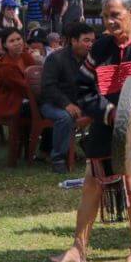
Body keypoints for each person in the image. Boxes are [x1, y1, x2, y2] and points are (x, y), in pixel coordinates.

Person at [51, 0, 131, 262]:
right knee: (92, 184)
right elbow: (85, 88)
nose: (109, 22)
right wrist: (109, 113)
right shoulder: (101, 47)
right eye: (105, 16)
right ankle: (78, 249)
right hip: (106, 123)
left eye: (115, 15)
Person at [39, 21, 96, 173]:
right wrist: (66, 104)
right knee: (65, 117)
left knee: (104, 109)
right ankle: (58, 158)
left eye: (92, 41)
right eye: (86, 40)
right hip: (51, 104)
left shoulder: (90, 60)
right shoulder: (56, 58)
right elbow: (48, 87)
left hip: (78, 103)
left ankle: (95, 149)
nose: (90, 44)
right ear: (73, 41)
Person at [0, 27, 35, 130]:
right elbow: (24, 88)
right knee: (45, 107)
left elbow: (35, 77)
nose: (17, 43)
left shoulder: (26, 56)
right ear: (4, 45)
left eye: (19, 39)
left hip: (29, 97)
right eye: (12, 41)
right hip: (12, 103)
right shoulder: (5, 66)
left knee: (51, 107)